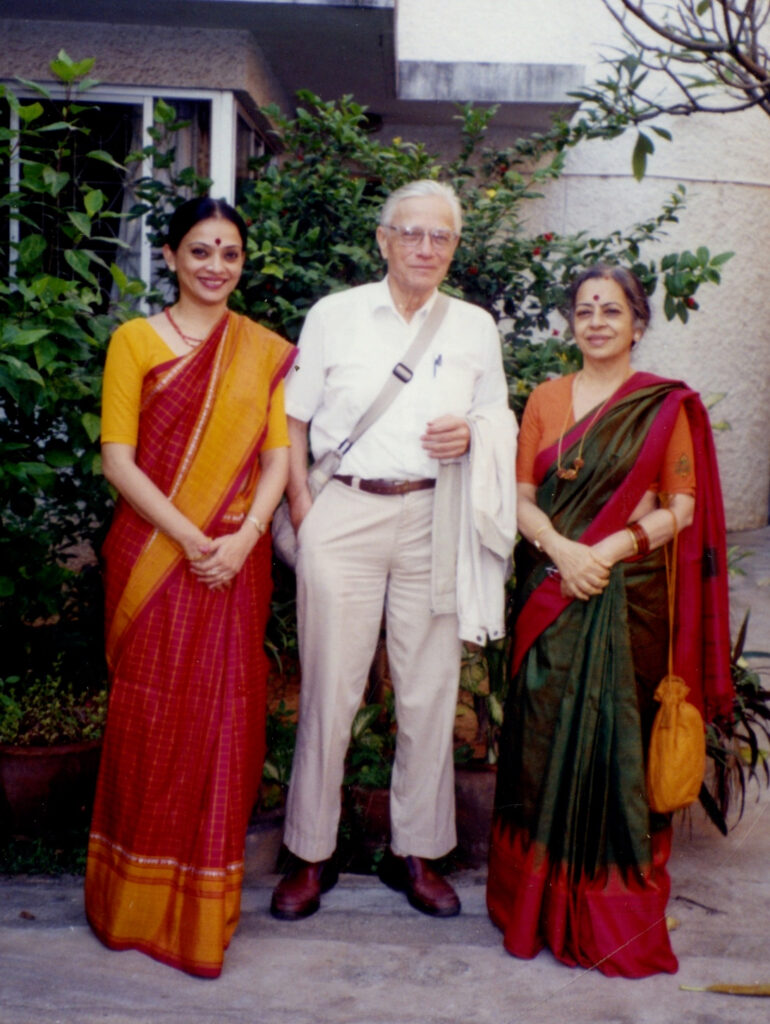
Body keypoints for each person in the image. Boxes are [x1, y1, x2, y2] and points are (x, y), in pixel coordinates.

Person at [271, 179, 517, 921]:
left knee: (429, 690)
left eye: (441, 236)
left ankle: (417, 853)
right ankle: (310, 854)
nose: (426, 247)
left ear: (454, 247)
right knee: (330, 690)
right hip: (342, 510)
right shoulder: (335, 316)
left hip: (434, 514)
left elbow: (497, 413)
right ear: (382, 240)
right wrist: (305, 510)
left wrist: (473, 435)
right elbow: (290, 421)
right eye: (411, 233)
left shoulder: (474, 326)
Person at [486, 263, 734, 978]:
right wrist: (565, 550)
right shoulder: (544, 397)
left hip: (629, 597)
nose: (596, 321)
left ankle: (611, 908)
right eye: (585, 310)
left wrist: (611, 548)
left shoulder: (665, 407)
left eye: (612, 310)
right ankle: (531, 901)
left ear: (637, 323)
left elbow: (680, 507)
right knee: (537, 739)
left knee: (616, 744)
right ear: (571, 323)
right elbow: (522, 496)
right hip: (551, 588)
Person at [85, 197, 296, 978]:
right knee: (148, 719)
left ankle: (202, 914)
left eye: (230, 254)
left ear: (243, 264)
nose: (215, 266)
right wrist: (189, 535)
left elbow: (277, 458)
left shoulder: (264, 350)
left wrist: (242, 539)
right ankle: (131, 904)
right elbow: (117, 458)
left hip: (232, 563)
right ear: (169, 256)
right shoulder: (134, 341)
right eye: (200, 251)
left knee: (221, 727)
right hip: (154, 554)